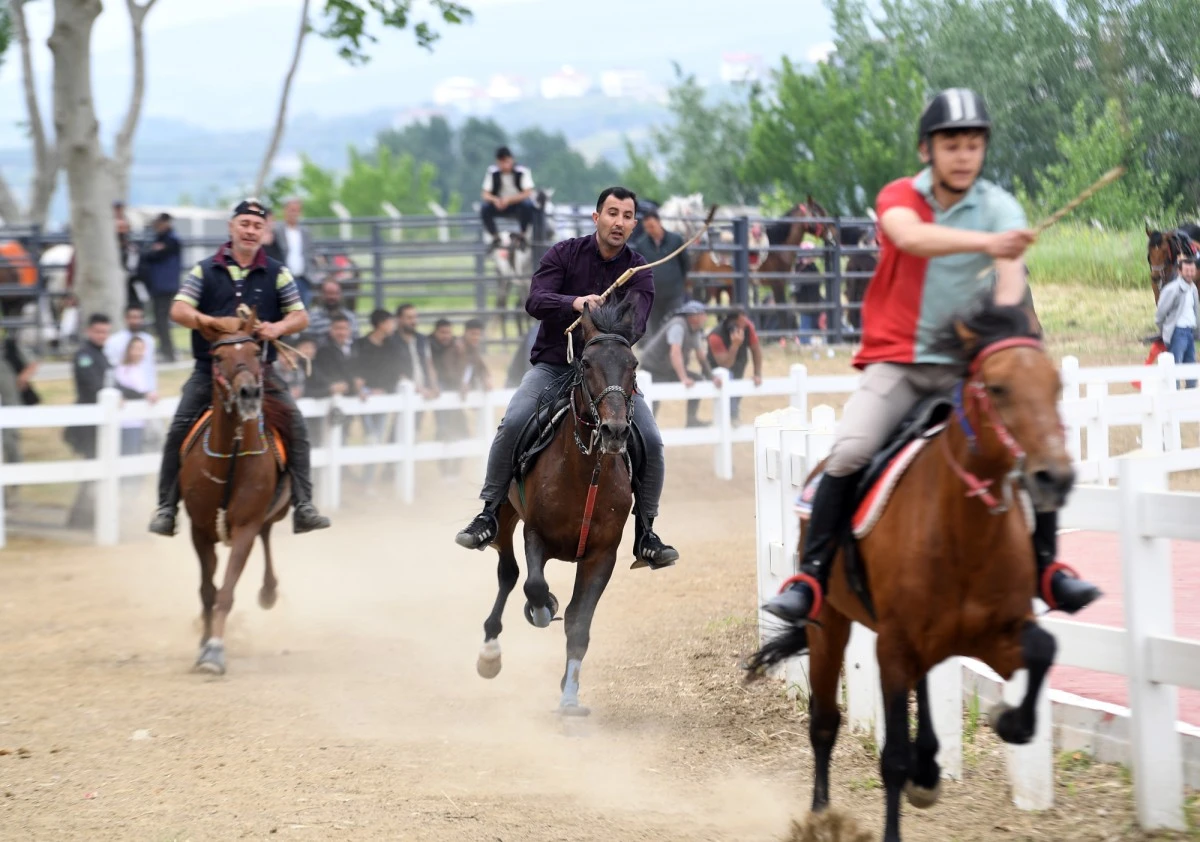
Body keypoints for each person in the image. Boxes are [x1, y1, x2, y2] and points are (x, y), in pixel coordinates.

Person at [761, 88, 1100, 627]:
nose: (963, 155)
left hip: (964, 368)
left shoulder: (1001, 207)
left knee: (1029, 447)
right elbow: (910, 238)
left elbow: (1011, 287)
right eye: (951, 145)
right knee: (850, 452)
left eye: (973, 144)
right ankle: (813, 578)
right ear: (927, 151)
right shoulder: (900, 196)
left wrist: (1006, 324)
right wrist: (989, 245)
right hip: (896, 362)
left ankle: (1046, 569)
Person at [455, 186, 678, 568]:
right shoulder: (564, 253)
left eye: (627, 216)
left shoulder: (639, 272)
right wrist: (574, 303)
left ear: (634, 224)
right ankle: (489, 515)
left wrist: (601, 324)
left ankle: (646, 533)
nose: (618, 222)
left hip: (606, 374)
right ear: (596, 218)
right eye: (612, 213)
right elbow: (535, 300)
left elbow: (636, 326)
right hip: (554, 366)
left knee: (652, 441)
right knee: (514, 422)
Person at [147, 198, 331, 537]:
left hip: (260, 372)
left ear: (265, 232)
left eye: (257, 226)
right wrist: (211, 321)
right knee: (179, 429)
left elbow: (300, 315)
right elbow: (178, 310)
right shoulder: (205, 269)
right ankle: (167, 507)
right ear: (232, 228)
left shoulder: (277, 272)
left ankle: (303, 505)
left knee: (296, 426)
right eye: (244, 224)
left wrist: (276, 329)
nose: (250, 231)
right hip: (210, 371)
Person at [638, 300, 720, 428]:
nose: (705, 317)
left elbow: (700, 355)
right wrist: (683, 378)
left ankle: (692, 420)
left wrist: (711, 377)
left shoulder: (695, 330)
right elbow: (675, 353)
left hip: (668, 368)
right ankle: (647, 429)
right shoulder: (678, 325)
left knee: (697, 380)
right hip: (653, 368)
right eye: (703, 314)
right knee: (653, 401)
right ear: (694, 316)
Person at [630, 210, 689, 335]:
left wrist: (679, 283)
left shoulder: (676, 240)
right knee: (655, 327)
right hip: (653, 294)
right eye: (646, 228)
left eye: (652, 226)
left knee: (675, 323)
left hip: (674, 293)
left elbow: (685, 263)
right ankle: (659, 353)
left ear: (659, 222)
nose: (650, 230)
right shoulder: (641, 244)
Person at [137, 213, 182, 362]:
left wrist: (149, 252)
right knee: (159, 320)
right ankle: (166, 351)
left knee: (161, 320)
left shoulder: (171, 241)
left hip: (164, 286)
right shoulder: (161, 239)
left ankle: (168, 352)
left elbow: (151, 255)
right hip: (159, 285)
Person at [706, 307, 763, 425]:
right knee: (729, 380)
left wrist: (757, 374)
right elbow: (725, 365)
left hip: (739, 363)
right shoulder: (715, 336)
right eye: (742, 322)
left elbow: (756, 350)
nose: (746, 324)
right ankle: (732, 417)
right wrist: (735, 345)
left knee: (737, 391)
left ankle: (731, 418)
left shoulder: (748, 328)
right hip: (718, 369)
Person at [1155, 256, 1199, 389]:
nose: (1190, 273)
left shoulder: (1193, 289)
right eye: (1187, 270)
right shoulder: (1172, 289)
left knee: (1190, 366)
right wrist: (1166, 331)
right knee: (1175, 367)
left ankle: (1190, 399)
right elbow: (1160, 313)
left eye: (1192, 270)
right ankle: (1173, 399)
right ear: (1179, 271)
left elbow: (1195, 311)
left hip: (1189, 332)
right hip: (1177, 332)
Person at [480, 146, 536, 248]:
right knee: (484, 207)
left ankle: (522, 235)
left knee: (527, 205)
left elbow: (528, 192)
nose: (504, 165)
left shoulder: (522, 171)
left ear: (512, 160)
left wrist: (509, 200)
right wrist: (495, 200)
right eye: (501, 162)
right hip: (499, 204)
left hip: (517, 205)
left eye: (506, 161)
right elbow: (485, 194)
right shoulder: (493, 172)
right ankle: (495, 236)